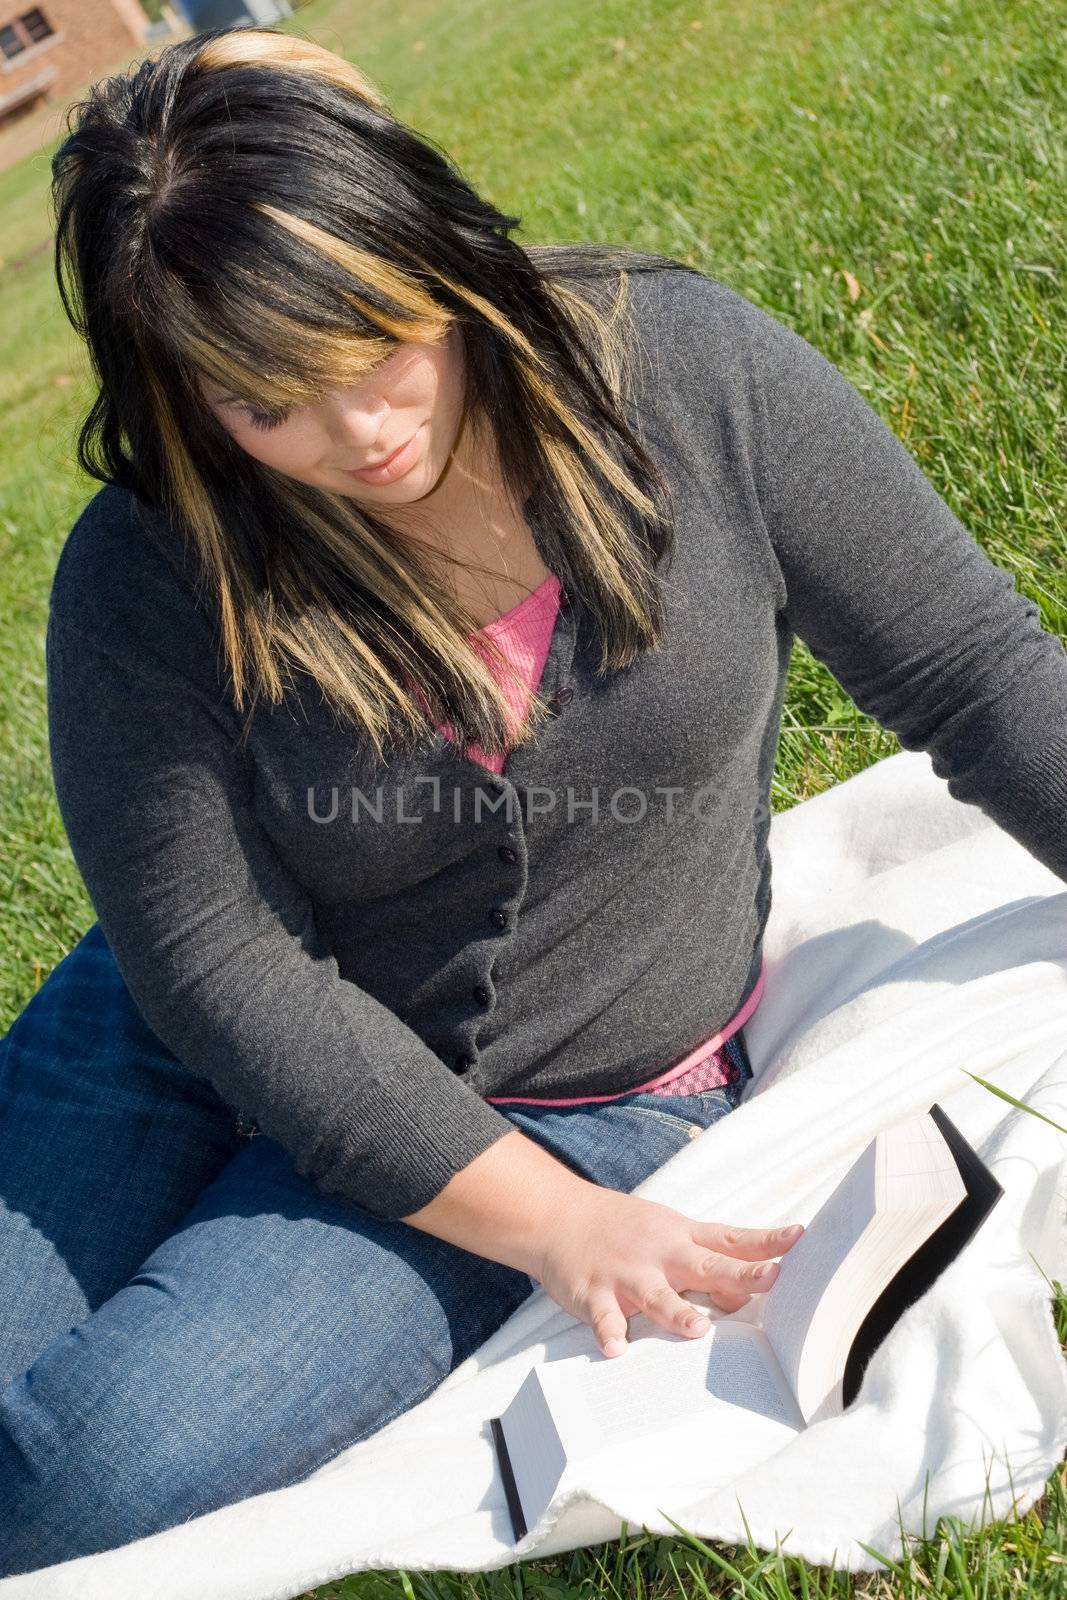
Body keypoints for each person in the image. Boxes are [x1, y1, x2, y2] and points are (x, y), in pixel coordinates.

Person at [4, 22, 1067, 1578]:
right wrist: (559, 1242)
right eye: (267, 405)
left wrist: (562, 1219)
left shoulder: (685, 371)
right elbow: (218, 970)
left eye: (378, 343)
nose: (362, 432)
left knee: (84, 1481)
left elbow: (976, 676)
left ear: (431, 245)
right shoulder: (149, 565)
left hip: (546, 1106)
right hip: (183, 1036)